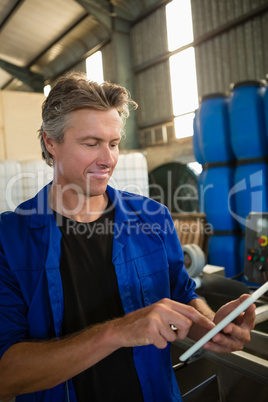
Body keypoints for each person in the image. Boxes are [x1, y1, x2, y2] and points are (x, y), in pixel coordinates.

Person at [0, 72, 255, 402]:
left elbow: (182, 295)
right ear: (51, 141)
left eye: (113, 144)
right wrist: (117, 332)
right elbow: (7, 375)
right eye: (91, 144)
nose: (107, 160)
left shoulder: (153, 219)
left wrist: (211, 326)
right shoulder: (10, 240)